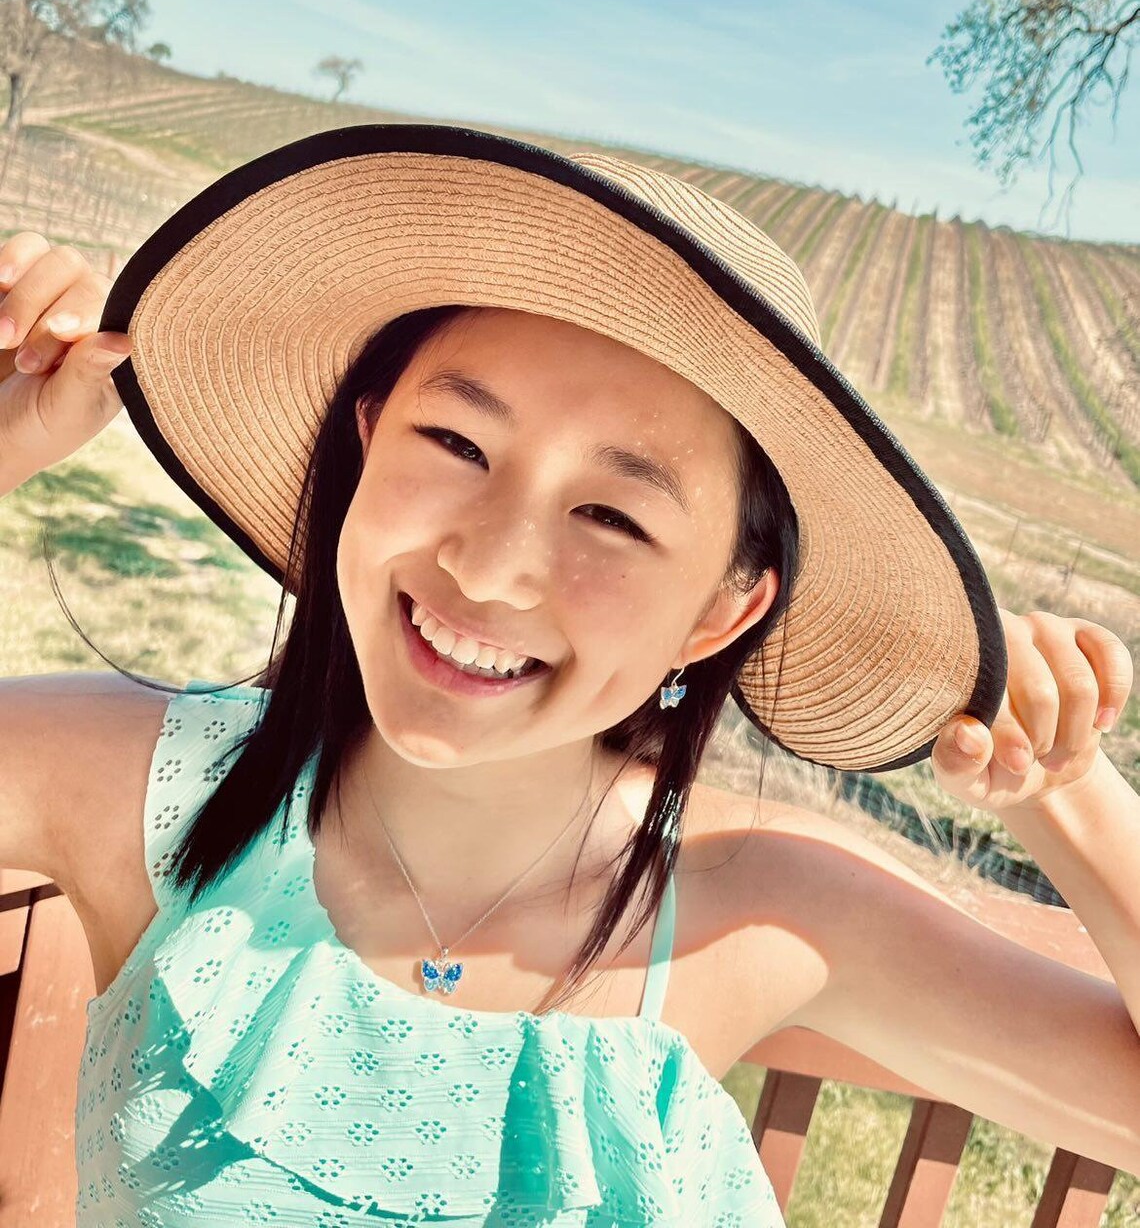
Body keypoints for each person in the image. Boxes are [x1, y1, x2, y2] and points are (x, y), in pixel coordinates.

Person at [0, 124, 1136, 1227]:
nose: (489, 568)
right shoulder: (149, 785)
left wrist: (1059, 782)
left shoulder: (765, 906)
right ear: (365, 440)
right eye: (455, 444)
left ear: (723, 608)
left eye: (611, 513)